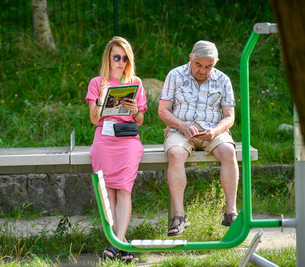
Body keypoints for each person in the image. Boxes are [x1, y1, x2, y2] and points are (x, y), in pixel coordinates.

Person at [158, 40, 239, 236]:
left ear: (216, 62)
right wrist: (182, 125)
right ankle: (179, 216)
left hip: (212, 132)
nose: (203, 70)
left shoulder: (223, 80)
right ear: (190, 58)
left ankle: (231, 213)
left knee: (229, 151)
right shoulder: (175, 75)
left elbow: (229, 116)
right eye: (198, 65)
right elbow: (163, 110)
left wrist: (215, 131)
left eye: (209, 66)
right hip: (180, 131)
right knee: (176, 153)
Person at [86, 36, 147, 262]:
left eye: (125, 58)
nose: (120, 62)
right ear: (108, 59)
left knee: (123, 189)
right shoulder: (97, 82)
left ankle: (116, 243)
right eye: (116, 57)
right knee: (108, 191)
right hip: (104, 138)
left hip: (127, 139)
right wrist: (102, 96)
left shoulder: (135, 82)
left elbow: (140, 120)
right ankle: (119, 245)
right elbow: (93, 119)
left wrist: (134, 110)